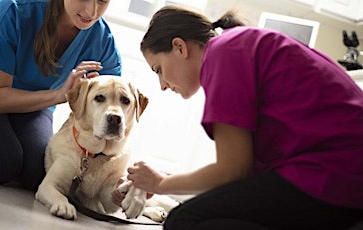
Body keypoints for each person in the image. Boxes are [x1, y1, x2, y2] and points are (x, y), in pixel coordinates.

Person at [127, 5, 363, 229]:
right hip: (344, 172)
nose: (162, 85)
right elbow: (243, 174)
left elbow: (233, 171)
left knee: (185, 221)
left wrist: (160, 184)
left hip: (337, 175)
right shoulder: (236, 45)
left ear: (179, 47)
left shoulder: (223, 53)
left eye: (158, 69)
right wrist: (165, 180)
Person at [0, 0, 121, 191]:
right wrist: (58, 95)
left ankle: (3, 142)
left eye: (102, 0)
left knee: (39, 174)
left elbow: (115, 101)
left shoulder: (102, 39)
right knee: (2, 164)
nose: (92, 11)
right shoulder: (16, 8)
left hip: (33, 108)